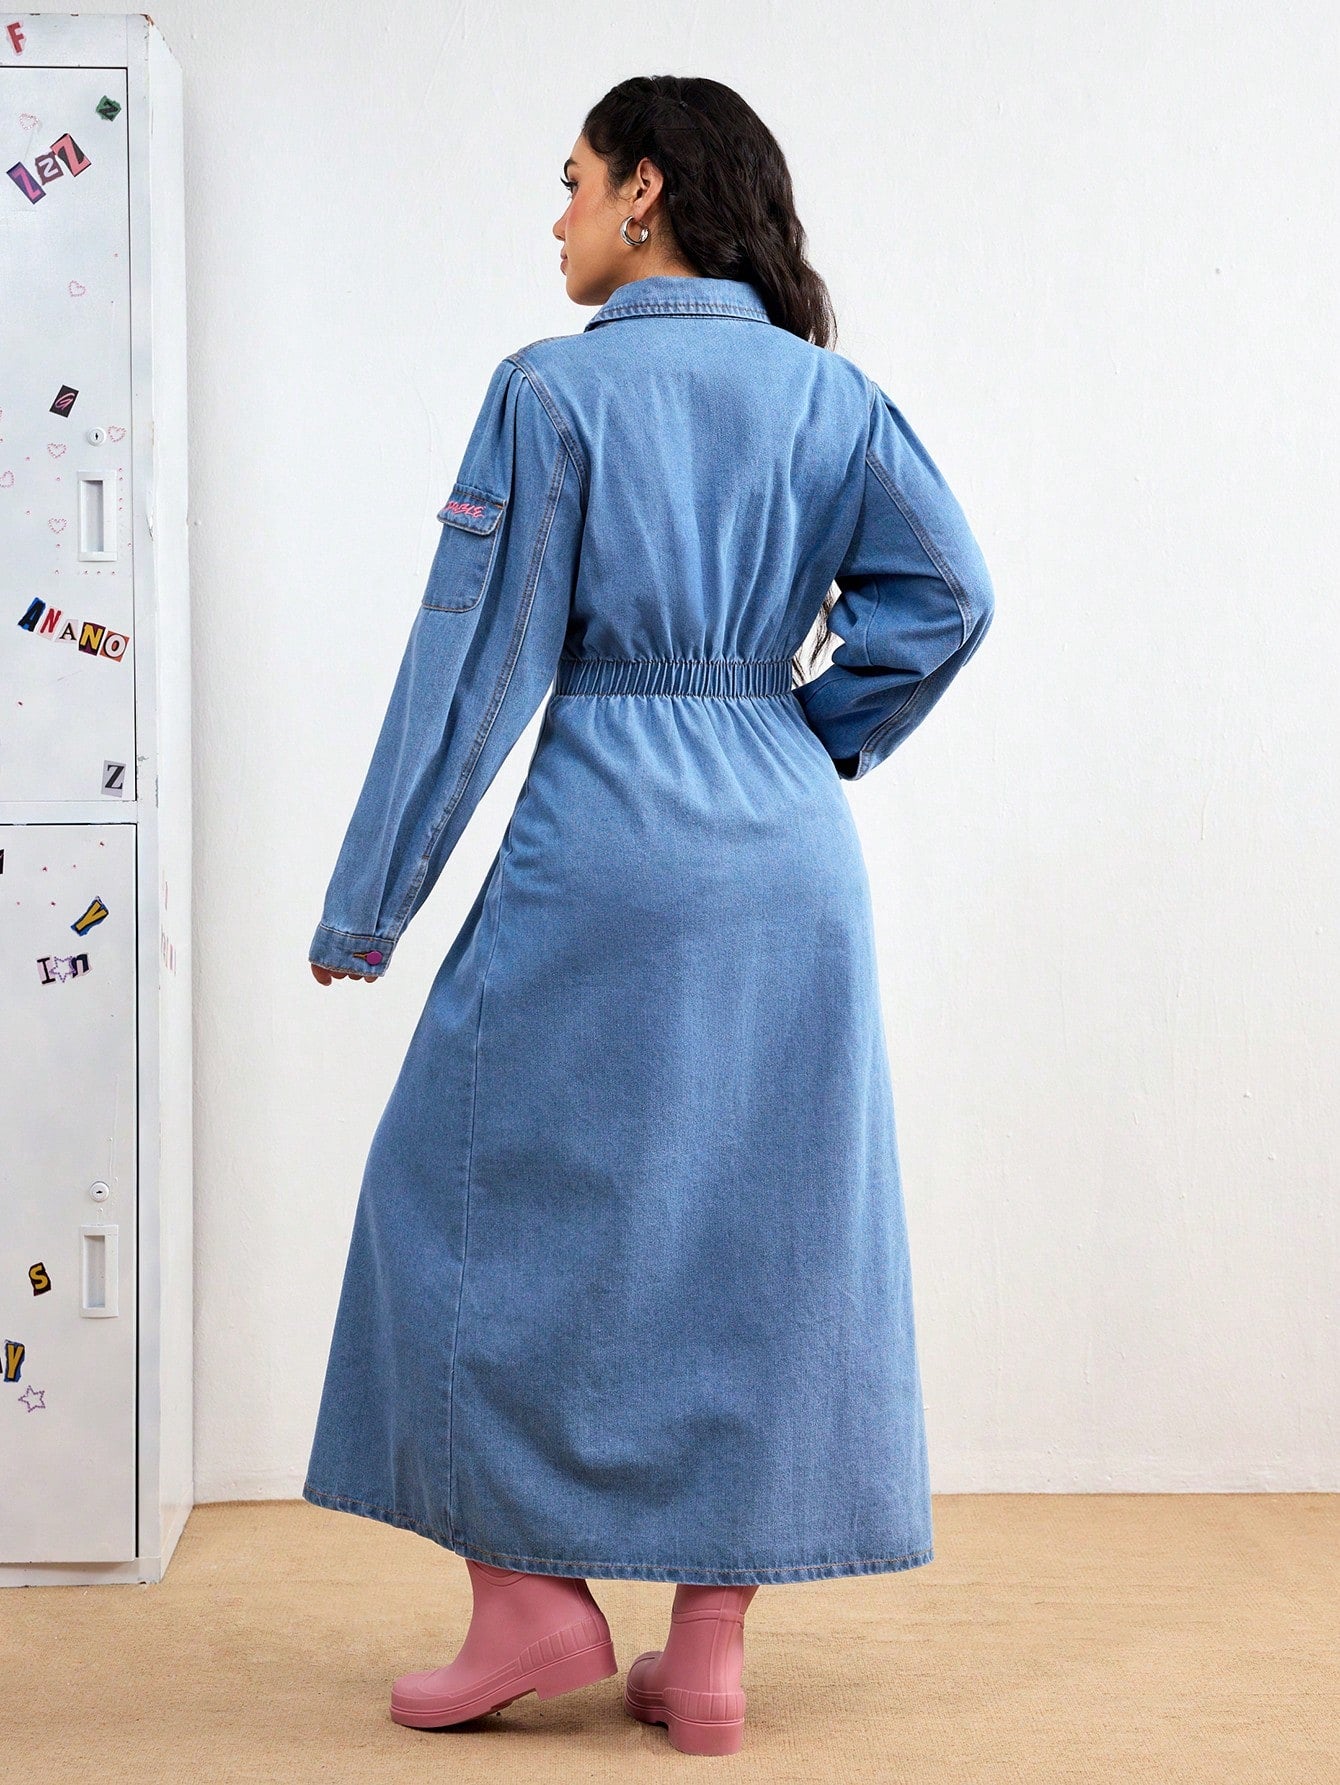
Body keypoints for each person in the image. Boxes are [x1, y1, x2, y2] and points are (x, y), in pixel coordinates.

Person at [303, 74, 995, 1757]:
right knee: (756, 1227)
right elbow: (951, 596)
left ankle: (527, 1605)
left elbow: (474, 666)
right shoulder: (834, 397)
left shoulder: (552, 392)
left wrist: (371, 898)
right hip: (788, 852)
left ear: (646, 191)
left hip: (608, 833)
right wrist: (807, 734)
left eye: (572, 181)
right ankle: (707, 1652)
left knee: (447, 1192)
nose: (554, 218)